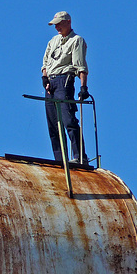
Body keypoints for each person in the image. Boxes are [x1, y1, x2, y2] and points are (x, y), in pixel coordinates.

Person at [41, 11, 90, 165]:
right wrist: (45, 78)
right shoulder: (52, 41)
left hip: (64, 81)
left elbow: (80, 66)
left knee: (68, 120)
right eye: (55, 24)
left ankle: (80, 157)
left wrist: (83, 87)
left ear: (68, 22)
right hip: (51, 83)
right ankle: (60, 160)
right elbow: (45, 63)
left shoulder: (76, 41)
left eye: (59, 24)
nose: (57, 27)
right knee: (53, 124)